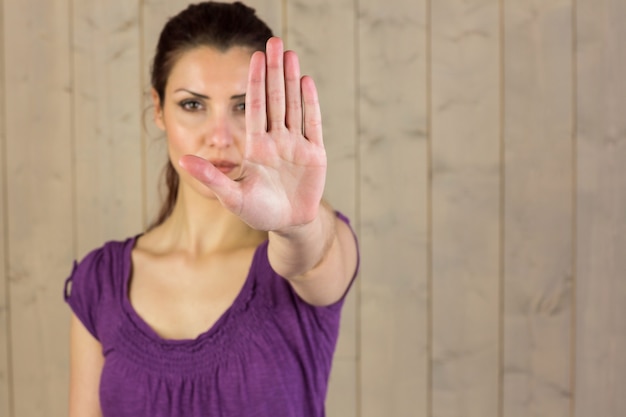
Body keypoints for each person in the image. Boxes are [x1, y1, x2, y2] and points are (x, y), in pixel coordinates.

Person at [64, 2, 359, 416]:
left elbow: (313, 259)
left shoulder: (303, 250)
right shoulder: (100, 282)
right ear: (158, 108)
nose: (219, 136)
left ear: (272, 114)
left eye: (242, 106)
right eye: (193, 104)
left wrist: (298, 224)